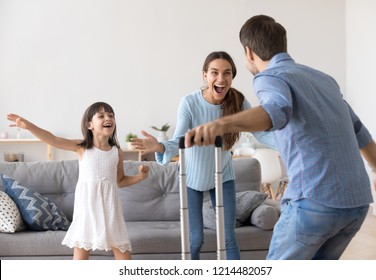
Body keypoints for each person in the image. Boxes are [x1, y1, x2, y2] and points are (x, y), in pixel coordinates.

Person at [185, 15, 376, 260]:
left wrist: (222, 123)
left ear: (249, 52)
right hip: (356, 204)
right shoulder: (324, 79)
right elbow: (359, 131)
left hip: (314, 200)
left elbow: (275, 112)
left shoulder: (270, 77)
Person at [131, 51, 276, 260]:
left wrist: (289, 142)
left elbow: (260, 132)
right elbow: (179, 139)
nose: (221, 79)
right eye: (214, 72)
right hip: (191, 175)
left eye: (227, 73)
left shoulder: (238, 101)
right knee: (195, 239)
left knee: (227, 237)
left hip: (222, 173)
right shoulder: (189, 103)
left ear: (232, 77)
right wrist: (159, 146)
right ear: (204, 76)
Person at [7, 102, 149, 260]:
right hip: (87, 212)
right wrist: (29, 126)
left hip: (110, 212)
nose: (107, 118)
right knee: (80, 259)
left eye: (111, 115)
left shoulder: (117, 152)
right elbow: (53, 139)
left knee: (124, 258)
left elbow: (120, 181)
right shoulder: (82, 147)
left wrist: (140, 177)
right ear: (90, 125)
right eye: (101, 116)